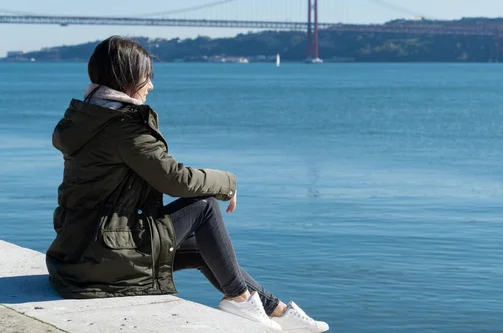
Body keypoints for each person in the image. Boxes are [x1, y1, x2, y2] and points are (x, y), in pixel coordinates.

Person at [46, 36, 329, 332]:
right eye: (147, 77)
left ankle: (276, 309)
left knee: (204, 249)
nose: (151, 85)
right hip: (102, 256)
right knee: (203, 206)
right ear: (126, 77)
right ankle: (240, 298)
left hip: (77, 254)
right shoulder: (122, 128)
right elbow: (176, 180)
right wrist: (228, 182)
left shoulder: (85, 117)